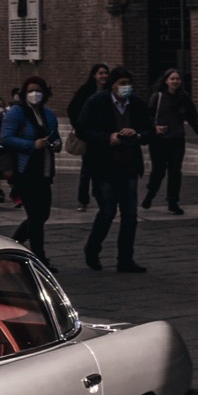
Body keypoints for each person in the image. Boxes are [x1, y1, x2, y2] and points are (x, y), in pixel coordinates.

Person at [81, 66, 150, 272]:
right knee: (107, 211)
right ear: (113, 85)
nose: (126, 88)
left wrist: (137, 134)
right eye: (122, 84)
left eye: (129, 84)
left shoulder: (136, 104)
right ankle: (92, 249)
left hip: (128, 165)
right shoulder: (96, 102)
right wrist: (106, 137)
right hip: (103, 165)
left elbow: (149, 128)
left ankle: (125, 259)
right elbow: (83, 128)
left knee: (130, 215)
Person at [0, 76, 62, 258]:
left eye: (38, 90)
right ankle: (39, 256)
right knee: (35, 216)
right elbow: (6, 138)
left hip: (45, 169)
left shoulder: (47, 114)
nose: (35, 94)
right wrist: (32, 144)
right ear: (24, 93)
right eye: (30, 90)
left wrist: (56, 143)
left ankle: (12, 246)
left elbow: (55, 136)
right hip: (25, 170)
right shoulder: (17, 112)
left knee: (42, 214)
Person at [143, 69, 198, 215]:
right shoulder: (158, 97)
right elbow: (147, 116)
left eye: (178, 79)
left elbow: (192, 118)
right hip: (159, 140)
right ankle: (150, 194)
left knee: (175, 171)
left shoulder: (184, 97)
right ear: (166, 81)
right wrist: (154, 128)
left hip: (177, 140)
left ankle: (173, 201)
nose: (175, 81)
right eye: (172, 79)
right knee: (158, 171)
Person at [68, 62, 111, 210]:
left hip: (105, 135)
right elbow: (72, 109)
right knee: (87, 169)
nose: (104, 76)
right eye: (101, 73)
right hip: (89, 136)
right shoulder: (86, 91)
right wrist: (79, 127)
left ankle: (100, 195)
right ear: (94, 75)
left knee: (104, 168)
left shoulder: (110, 91)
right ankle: (83, 200)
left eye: (106, 73)